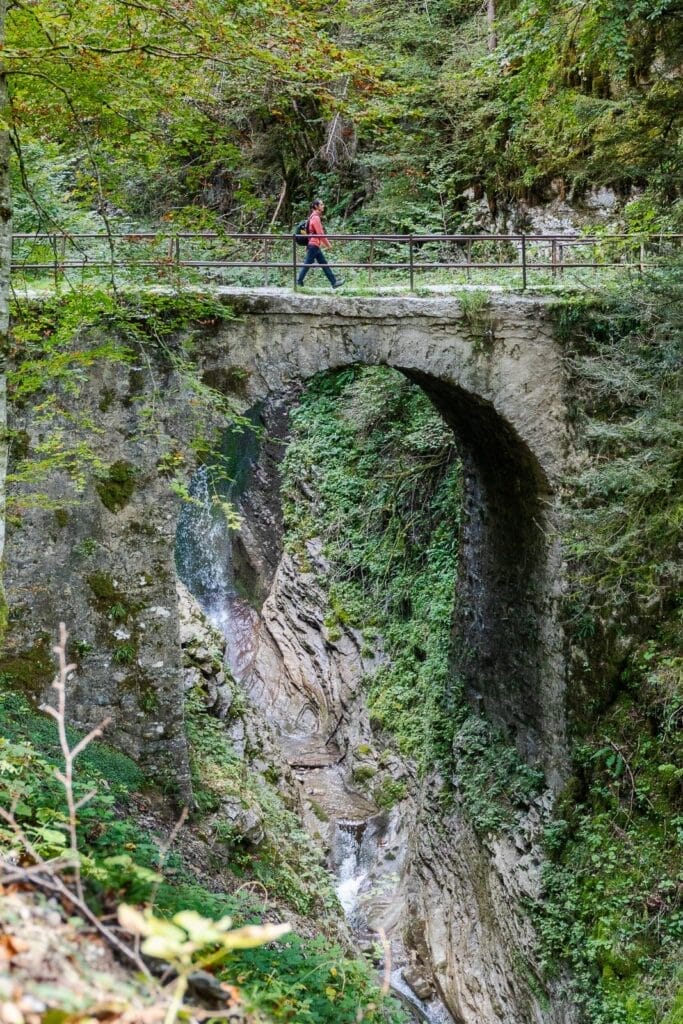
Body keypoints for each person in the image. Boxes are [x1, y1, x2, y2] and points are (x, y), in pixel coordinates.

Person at [296, 199, 344, 289]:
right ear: (316, 206)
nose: (323, 206)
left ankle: (334, 282)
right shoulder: (315, 217)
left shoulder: (312, 217)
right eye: (321, 204)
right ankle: (298, 281)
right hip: (314, 245)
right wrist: (328, 245)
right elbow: (320, 234)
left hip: (314, 244)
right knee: (308, 263)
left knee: (323, 263)